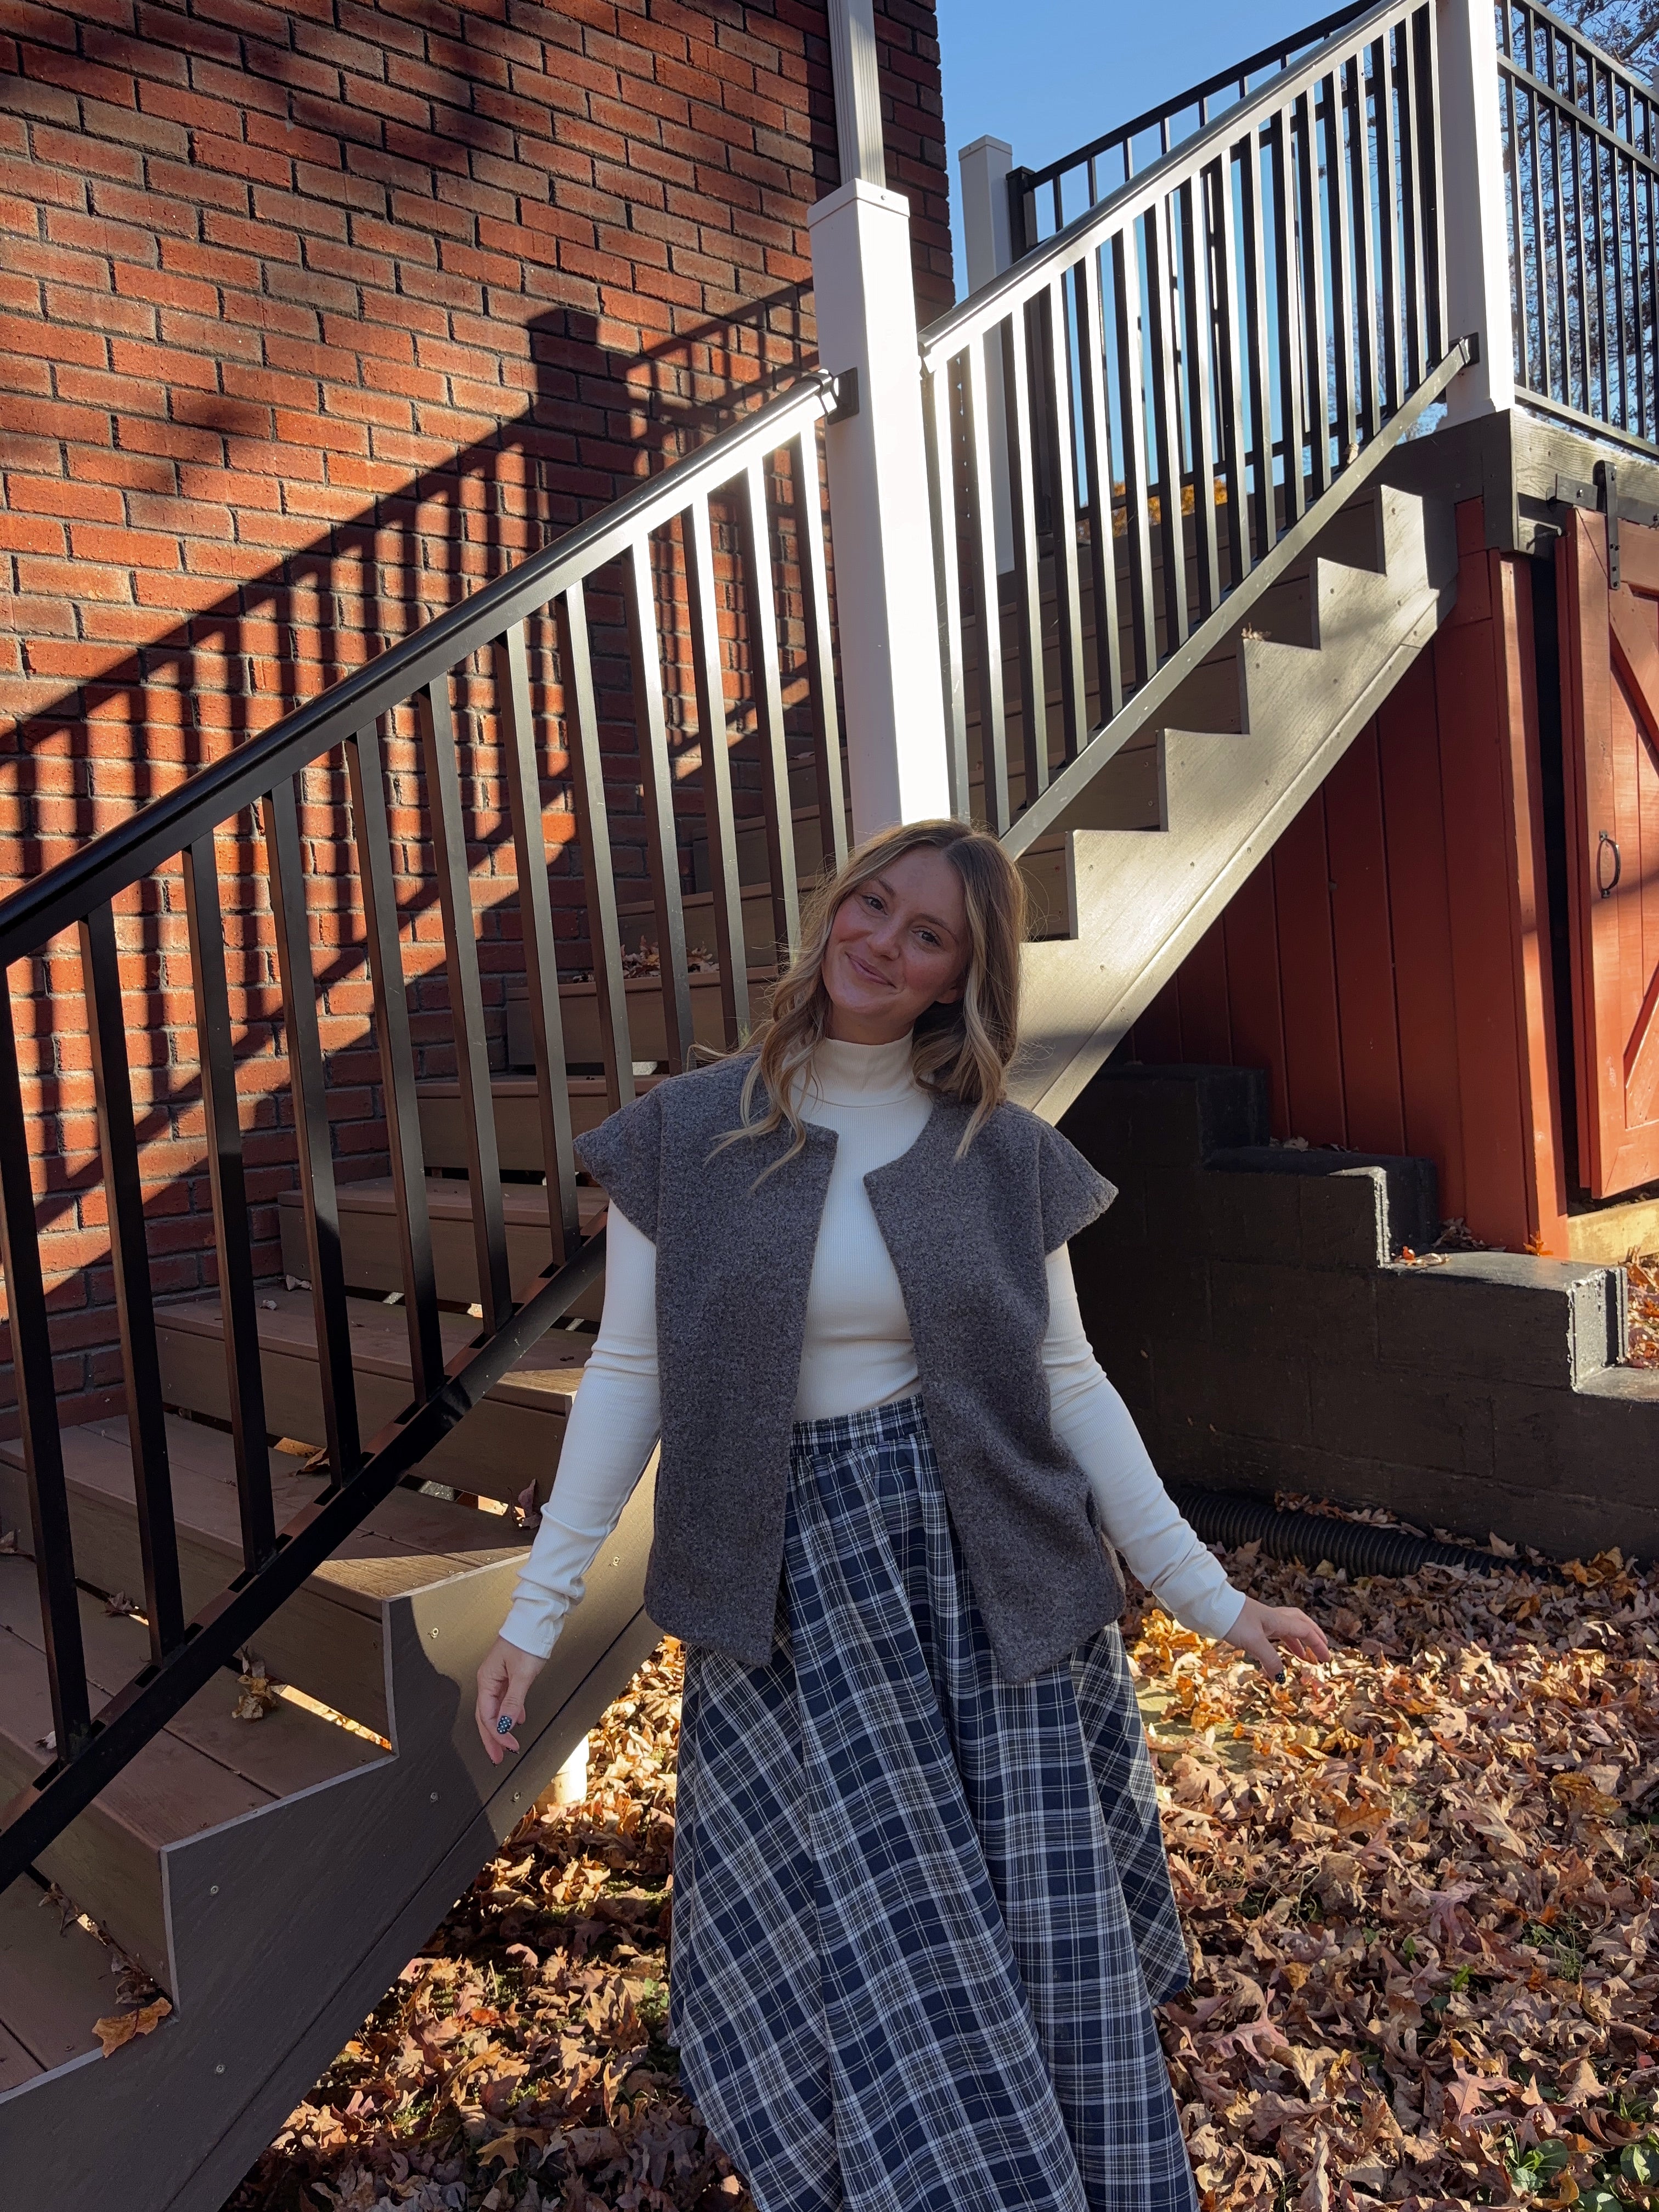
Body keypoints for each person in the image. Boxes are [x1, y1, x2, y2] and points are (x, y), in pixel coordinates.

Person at [474, 819, 1327, 2212]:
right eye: (873, 904)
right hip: (800, 1591)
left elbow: (1070, 1379)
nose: (880, 941)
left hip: (988, 1578)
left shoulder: (998, 1153)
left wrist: (1205, 1596)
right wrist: (537, 1608)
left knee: (1025, 1943)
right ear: (836, 908)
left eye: (924, 935)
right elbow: (630, 1374)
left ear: (957, 980)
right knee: (871, 1944)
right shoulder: (686, 1132)